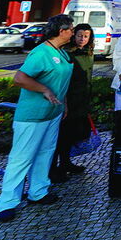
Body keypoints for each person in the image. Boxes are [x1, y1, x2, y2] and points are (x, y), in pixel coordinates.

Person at [0, 15, 75, 222]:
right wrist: (44, 90)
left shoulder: (63, 53)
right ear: (62, 31)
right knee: (22, 157)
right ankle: (7, 202)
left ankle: (38, 191)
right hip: (33, 115)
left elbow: (61, 80)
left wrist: (64, 102)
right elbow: (20, 78)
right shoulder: (41, 53)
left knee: (45, 153)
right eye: (71, 29)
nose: (73, 33)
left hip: (53, 113)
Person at [49, 23, 94, 183]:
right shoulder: (67, 54)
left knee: (71, 136)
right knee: (61, 136)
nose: (82, 39)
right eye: (79, 35)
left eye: (86, 36)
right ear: (74, 36)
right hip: (68, 100)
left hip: (81, 101)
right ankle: (53, 169)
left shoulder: (88, 53)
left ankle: (66, 162)